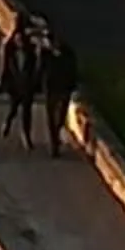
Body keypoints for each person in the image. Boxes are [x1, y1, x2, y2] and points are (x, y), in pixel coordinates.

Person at [0, 23, 43, 150]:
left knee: (27, 113)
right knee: (13, 109)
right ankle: (8, 122)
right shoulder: (10, 54)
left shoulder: (31, 54)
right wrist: (5, 84)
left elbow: (36, 69)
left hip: (27, 87)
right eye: (18, 40)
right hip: (15, 87)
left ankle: (26, 136)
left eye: (21, 40)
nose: (20, 43)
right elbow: (6, 69)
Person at [38, 28, 79, 157]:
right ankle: (54, 145)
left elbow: (73, 69)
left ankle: (57, 132)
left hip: (64, 88)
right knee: (51, 117)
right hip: (51, 89)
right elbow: (40, 70)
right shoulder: (45, 54)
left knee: (61, 116)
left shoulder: (68, 53)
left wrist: (72, 85)